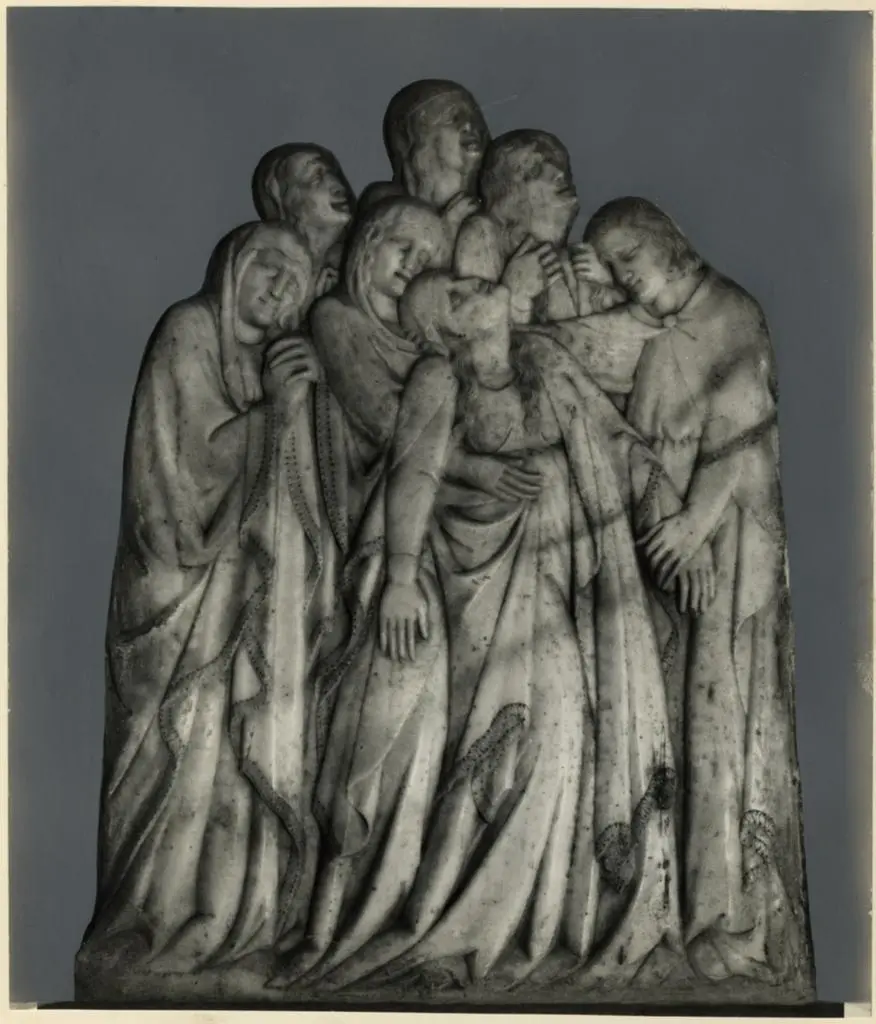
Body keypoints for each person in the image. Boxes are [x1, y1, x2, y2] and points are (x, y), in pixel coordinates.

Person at [279, 270, 691, 995]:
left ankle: (533, 924)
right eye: (459, 293)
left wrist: (679, 519)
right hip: (474, 587)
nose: (479, 282)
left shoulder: (545, 361)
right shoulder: (439, 378)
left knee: (560, 736)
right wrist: (399, 575)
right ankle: (449, 922)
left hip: (554, 586)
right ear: (447, 332)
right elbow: (414, 471)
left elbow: (615, 439)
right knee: (492, 746)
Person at [75, 222, 321, 986]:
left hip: (241, 599)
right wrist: (276, 410)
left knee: (228, 761)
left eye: (296, 282)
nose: (280, 287)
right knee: (168, 754)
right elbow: (188, 471)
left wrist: (297, 410)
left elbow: (294, 500)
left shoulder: (270, 363)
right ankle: (149, 927)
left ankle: (229, 923)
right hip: (174, 593)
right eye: (270, 266)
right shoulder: (188, 330)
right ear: (235, 265)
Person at [587, 196, 815, 991]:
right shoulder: (659, 336)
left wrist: (693, 524)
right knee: (686, 722)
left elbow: (745, 438)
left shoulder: (731, 313)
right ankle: (692, 907)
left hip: (731, 545)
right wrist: (669, 536)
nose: (625, 280)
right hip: (679, 558)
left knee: (724, 715)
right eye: (612, 270)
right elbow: (648, 447)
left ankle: (731, 914)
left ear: (669, 244)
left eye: (629, 260)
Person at [454, 129, 618, 325]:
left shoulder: (570, 261)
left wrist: (605, 285)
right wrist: (516, 295)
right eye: (535, 170)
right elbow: (473, 330)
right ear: (508, 197)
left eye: (561, 165)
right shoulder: (482, 233)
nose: (559, 174)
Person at [359, 80, 490, 246]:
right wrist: (445, 230)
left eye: (476, 117)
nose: (469, 125)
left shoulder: (494, 207)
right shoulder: (388, 205)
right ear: (412, 137)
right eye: (452, 118)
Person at [252, 143, 355, 298]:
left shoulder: (366, 263)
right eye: (315, 178)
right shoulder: (271, 280)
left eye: (334, 174)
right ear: (284, 201)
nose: (339, 186)